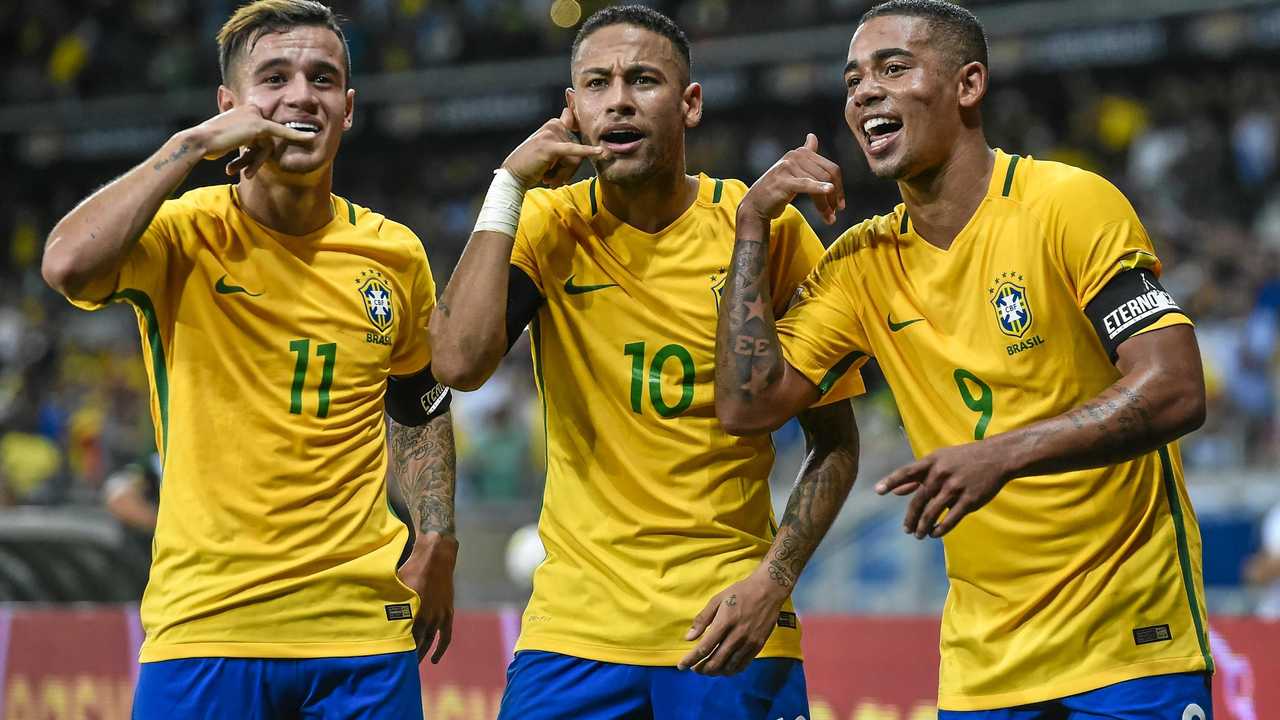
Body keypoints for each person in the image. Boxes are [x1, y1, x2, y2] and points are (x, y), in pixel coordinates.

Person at [713, 0, 1214, 716]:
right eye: (853, 79)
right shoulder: (861, 264)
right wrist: (752, 227)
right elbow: (746, 405)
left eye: (893, 67)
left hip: (1131, 639)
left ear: (968, 85)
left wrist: (1001, 455)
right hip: (986, 666)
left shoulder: (1068, 204)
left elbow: (1174, 387)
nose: (864, 93)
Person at [429, 6, 860, 718]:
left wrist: (773, 582)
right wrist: (508, 185)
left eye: (643, 79)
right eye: (596, 84)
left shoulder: (764, 227)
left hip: (729, 625)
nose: (619, 98)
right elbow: (456, 363)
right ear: (573, 110)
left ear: (689, 103)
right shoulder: (548, 226)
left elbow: (835, 443)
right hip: (575, 633)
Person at [41, 1, 457, 717]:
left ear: (348, 108)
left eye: (323, 79)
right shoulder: (181, 234)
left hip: (362, 636)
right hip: (206, 628)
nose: (301, 95)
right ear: (230, 105)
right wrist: (190, 148)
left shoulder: (395, 252)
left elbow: (418, 403)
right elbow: (67, 266)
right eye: (275, 78)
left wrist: (438, 538)